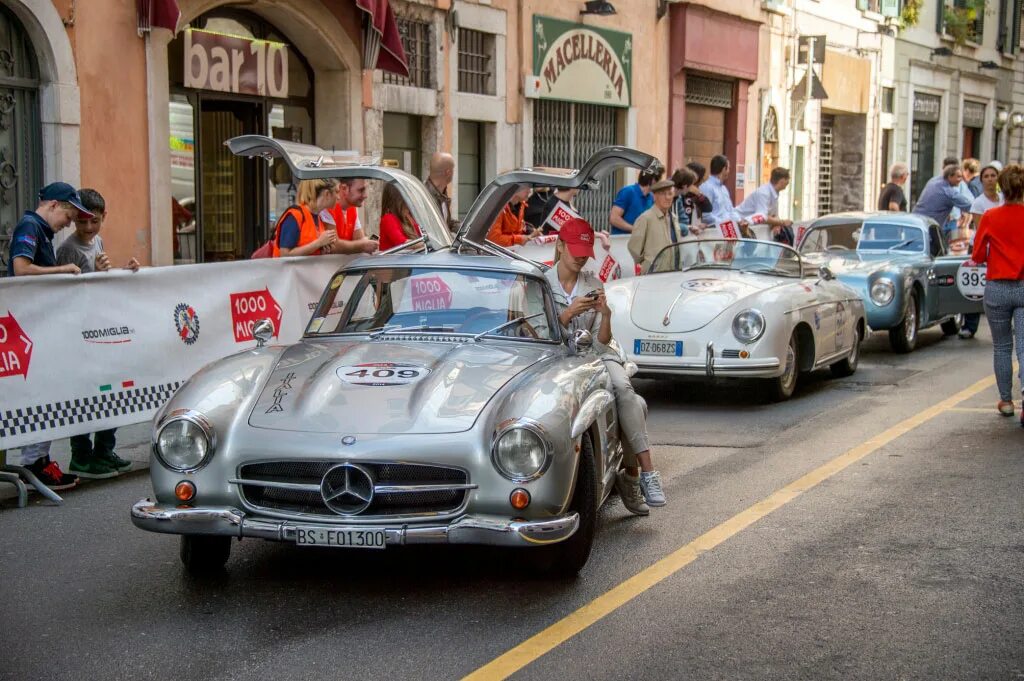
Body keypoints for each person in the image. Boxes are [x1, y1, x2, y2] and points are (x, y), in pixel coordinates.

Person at [546, 217, 667, 513]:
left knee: (626, 392)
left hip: (598, 353)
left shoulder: (593, 282)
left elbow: (603, 341)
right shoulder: (542, 283)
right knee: (636, 406)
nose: (581, 257)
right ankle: (630, 478)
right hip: (556, 357)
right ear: (560, 245)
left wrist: (607, 314)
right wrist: (567, 314)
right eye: (575, 249)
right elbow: (536, 333)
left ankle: (648, 473)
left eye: (585, 251)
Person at [6, 182, 93, 490]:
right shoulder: (30, 225)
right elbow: (20, 268)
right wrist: (62, 270)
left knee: (48, 391)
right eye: (69, 214)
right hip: (29, 326)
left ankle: (38, 460)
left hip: (38, 325)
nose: (70, 222)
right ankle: (33, 463)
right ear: (54, 205)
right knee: (39, 391)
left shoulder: (41, 231)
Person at [55, 188, 139, 479]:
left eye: (95, 222)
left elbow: (99, 280)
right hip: (80, 333)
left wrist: (120, 271)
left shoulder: (97, 241)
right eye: (82, 223)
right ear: (74, 219)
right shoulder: (68, 249)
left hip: (100, 328)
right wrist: (96, 271)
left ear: (104, 217)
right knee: (85, 394)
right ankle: (81, 455)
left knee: (112, 390)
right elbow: (70, 292)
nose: (89, 228)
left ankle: (104, 450)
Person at [970, 163, 1024, 423]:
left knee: (1002, 347)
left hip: (997, 288)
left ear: (1002, 187)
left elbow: (977, 255)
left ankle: (1006, 400)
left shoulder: (990, 217)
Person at [961, 161, 1004, 340]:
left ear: (998, 179)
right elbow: (981, 231)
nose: (989, 179)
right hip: (982, 247)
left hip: (1001, 247)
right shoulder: (979, 203)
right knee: (976, 287)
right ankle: (969, 326)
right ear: (981, 180)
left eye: (993, 176)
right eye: (986, 176)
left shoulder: (1004, 200)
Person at [271, 178, 339, 257]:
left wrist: (324, 248)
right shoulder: (295, 216)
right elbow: (285, 254)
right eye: (336, 192)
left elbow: (310, 248)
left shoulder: (317, 217)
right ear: (327, 194)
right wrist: (319, 243)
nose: (338, 197)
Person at [628, 179, 681, 273]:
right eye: (663, 194)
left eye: (670, 194)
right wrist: (649, 263)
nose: (667, 197)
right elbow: (634, 248)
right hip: (652, 274)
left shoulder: (673, 218)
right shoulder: (645, 218)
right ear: (654, 197)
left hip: (673, 272)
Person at [911, 164, 973, 240]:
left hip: (915, 221)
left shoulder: (934, 180)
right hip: (929, 228)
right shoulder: (949, 193)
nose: (961, 180)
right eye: (958, 177)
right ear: (950, 176)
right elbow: (970, 206)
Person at [322, 178, 379, 255]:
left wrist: (363, 244)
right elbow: (334, 246)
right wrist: (362, 245)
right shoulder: (326, 208)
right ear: (344, 189)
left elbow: (359, 240)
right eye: (361, 190)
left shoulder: (352, 208)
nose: (365, 195)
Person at [737, 167, 793, 243]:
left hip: (751, 230)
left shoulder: (774, 193)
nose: (788, 183)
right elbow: (762, 217)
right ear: (782, 180)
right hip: (739, 226)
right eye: (787, 180)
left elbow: (773, 215)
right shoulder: (764, 193)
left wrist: (777, 224)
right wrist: (782, 222)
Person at [700, 154, 750, 235]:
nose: (729, 171)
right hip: (714, 233)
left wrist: (739, 221)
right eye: (728, 168)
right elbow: (706, 216)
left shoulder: (724, 189)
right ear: (724, 169)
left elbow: (730, 210)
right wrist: (725, 223)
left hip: (728, 230)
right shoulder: (707, 187)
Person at [609, 167, 662, 235]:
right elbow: (614, 219)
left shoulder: (651, 197)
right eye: (658, 180)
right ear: (652, 180)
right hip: (622, 241)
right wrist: (635, 229)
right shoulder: (628, 191)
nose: (659, 183)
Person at [378, 183, 422, 251]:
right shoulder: (388, 218)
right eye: (406, 202)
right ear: (397, 202)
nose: (409, 205)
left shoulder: (407, 217)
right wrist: (425, 243)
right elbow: (402, 243)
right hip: (391, 260)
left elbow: (421, 232)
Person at [425, 152, 459, 235]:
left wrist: (467, 228)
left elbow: (446, 223)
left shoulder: (442, 192)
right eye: (453, 169)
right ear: (448, 172)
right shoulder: (426, 197)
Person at [671, 167, 712, 237]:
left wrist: (692, 226)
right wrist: (688, 227)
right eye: (691, 185)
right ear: (685, 186)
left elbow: (684, 220)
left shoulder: (678, 198)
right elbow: (670, 224)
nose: (691, 188)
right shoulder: (669, 198)